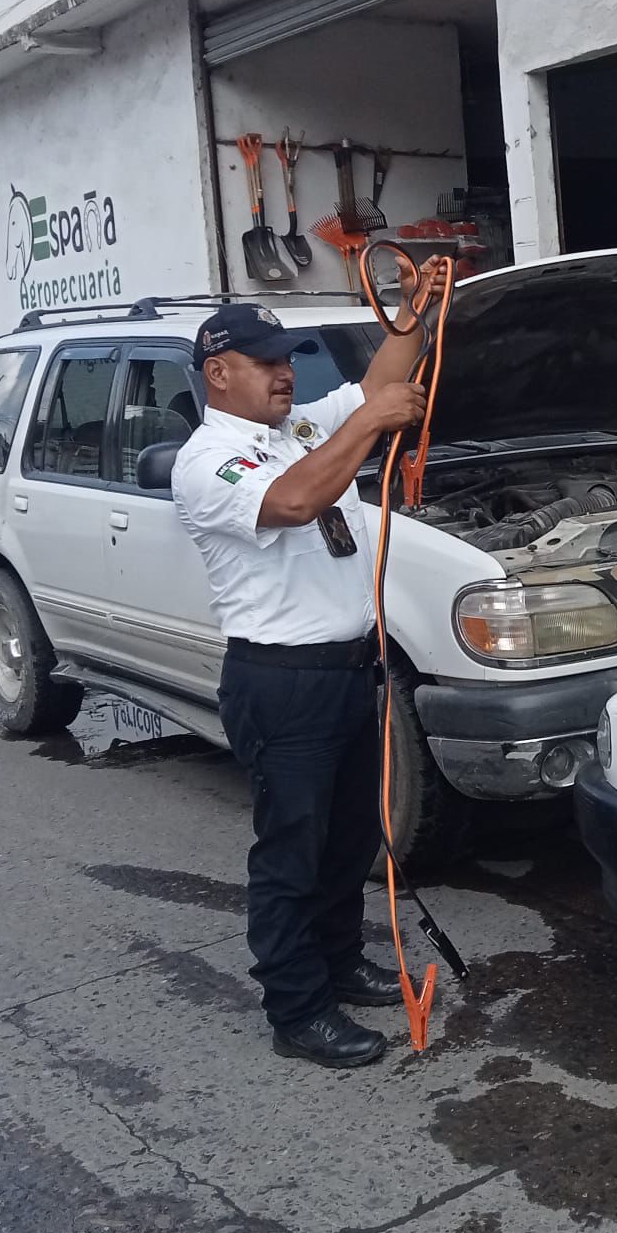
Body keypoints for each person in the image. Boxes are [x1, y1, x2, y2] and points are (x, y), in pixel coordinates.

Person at [171, 261, 447, 1068]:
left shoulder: (295, 429)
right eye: (265, 362)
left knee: (348, 839)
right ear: (219, 373)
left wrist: (414, 313)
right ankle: (296, 1008)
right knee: (292, 850)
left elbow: (379, 386)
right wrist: (368, 426)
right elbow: (294, 502)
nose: (284, 372)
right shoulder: (207, 460)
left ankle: (338, 960)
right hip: (281, 680)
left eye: (287, 358)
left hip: (349, 670)